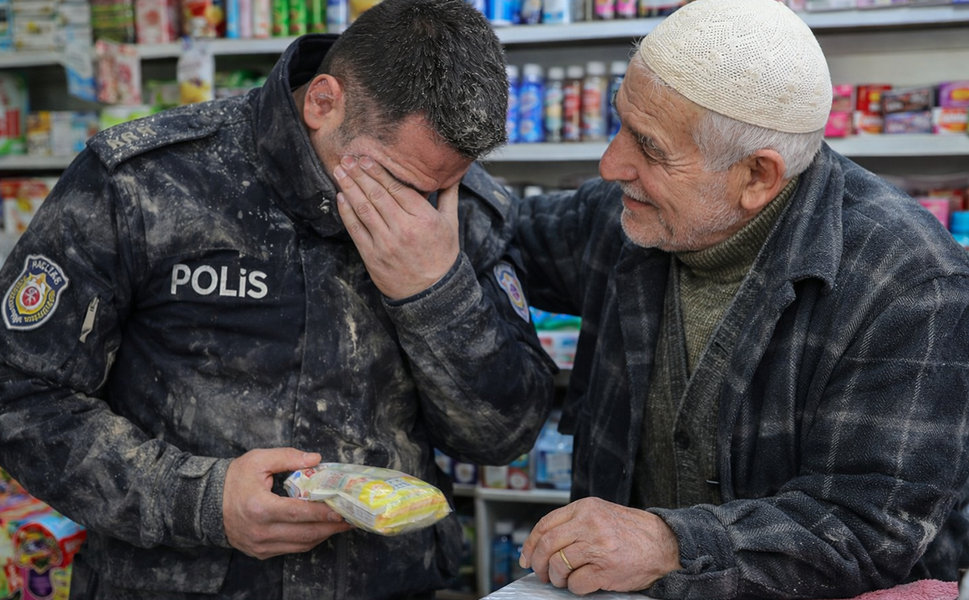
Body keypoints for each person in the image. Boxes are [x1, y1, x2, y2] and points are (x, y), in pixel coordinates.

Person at [336, 0, 969, 598]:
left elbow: (867, 529)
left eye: (650, 146)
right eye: (621, 124)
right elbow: (506, 234)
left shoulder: (909, 286)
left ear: (758, 176)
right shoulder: (627, 220)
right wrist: (409, 205)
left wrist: (669, 542)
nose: (610, 163)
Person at [0, 0, 557, 598]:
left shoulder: (461, 204)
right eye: (396, 179)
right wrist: (202, 501)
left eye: (444, 185)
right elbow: (21, 394)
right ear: (323, 102)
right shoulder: (143, 181)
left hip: (384, 581)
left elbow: (503, 438)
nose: (420, 207)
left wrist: (436, 293)